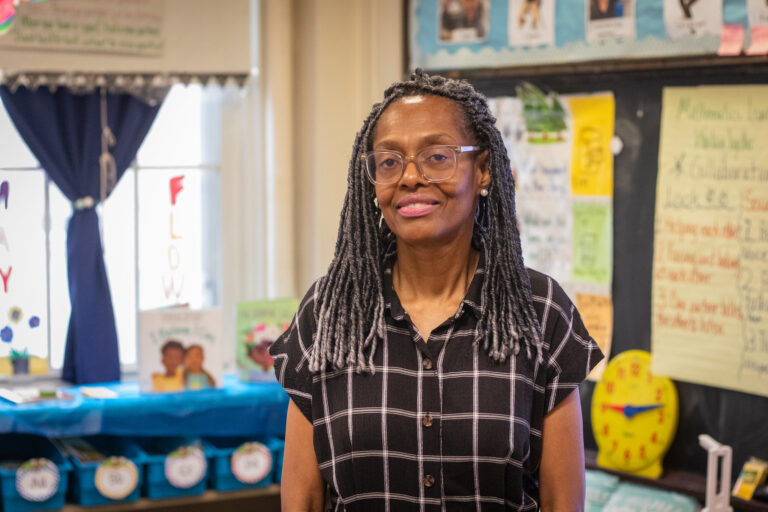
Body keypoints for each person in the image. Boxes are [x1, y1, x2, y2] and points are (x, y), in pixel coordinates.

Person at [270, 70, 603, 511]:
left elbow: (564, 503)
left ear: (482, 170)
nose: (410, 177)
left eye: (437, 156)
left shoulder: (539, 312)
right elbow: (304, 501)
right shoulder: (329, 313)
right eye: (389, 161)